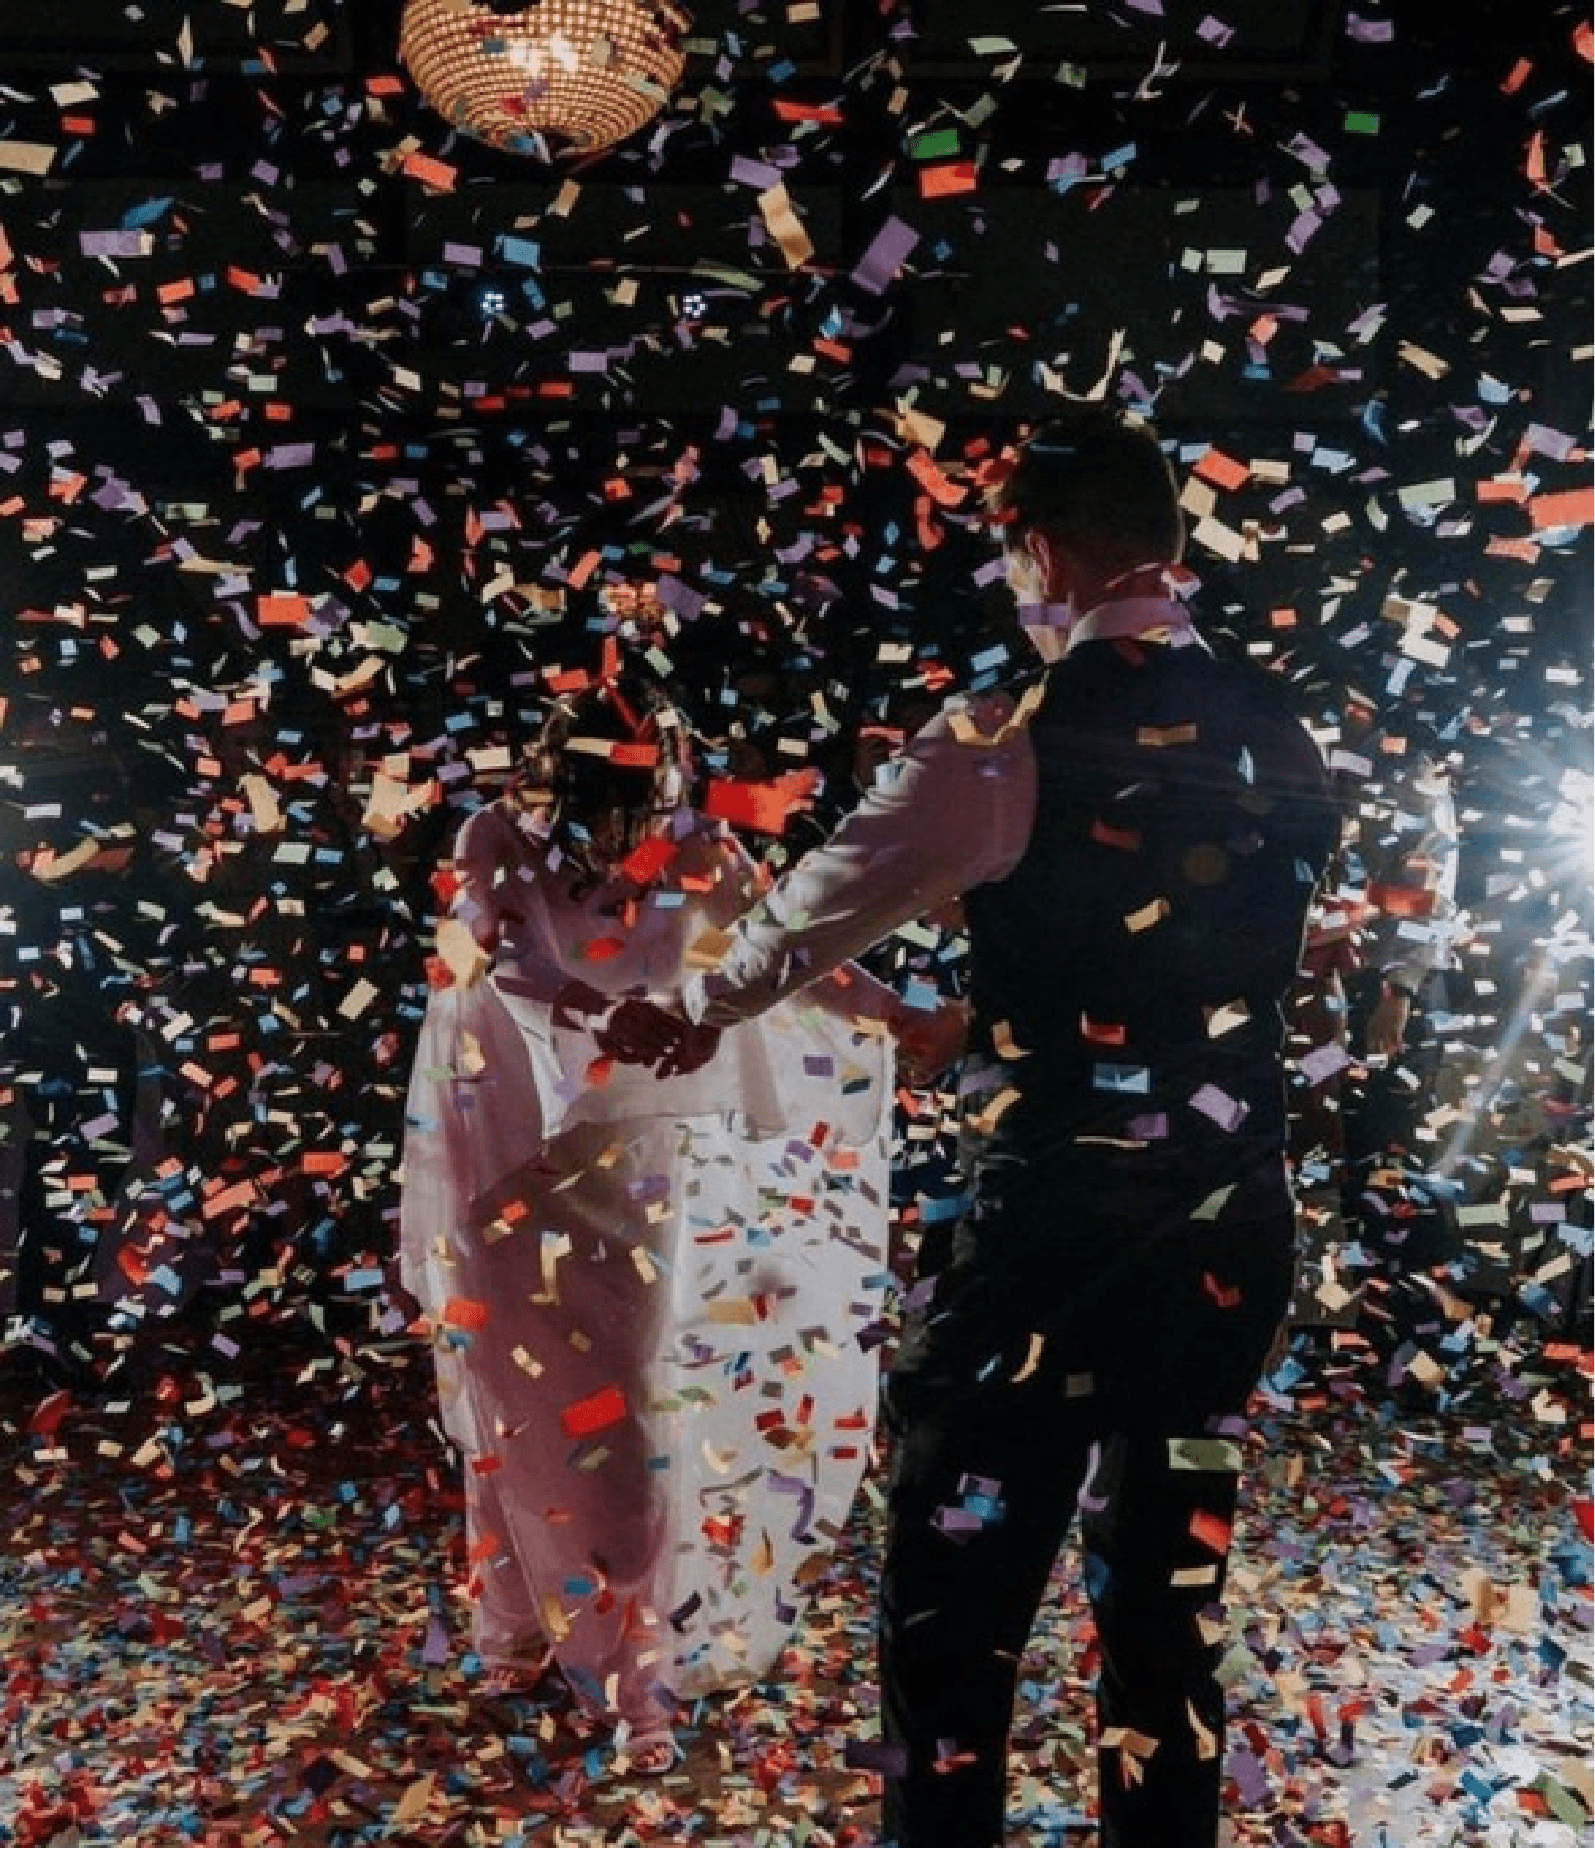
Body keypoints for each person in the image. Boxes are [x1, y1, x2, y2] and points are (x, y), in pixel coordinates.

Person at [611, 408, 1338, 1845]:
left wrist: (697, 1008)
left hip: (1052, 1233)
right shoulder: (1285, 731)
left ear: (1041, 550)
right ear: (1175, 545)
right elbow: (1255, 961)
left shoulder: (998, 738)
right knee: (1166, 1606)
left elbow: (812, 911)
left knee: (955, 1602)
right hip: (1229, 1218)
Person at [397, 663, 912, 1770]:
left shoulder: (701, 848)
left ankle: (637, 1682)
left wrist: (905, 1019)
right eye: (597, 787)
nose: (619, 813)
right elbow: (490, 945)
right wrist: (598, 1007)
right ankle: (518, 1626)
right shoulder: (495, 833)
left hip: (634, 1162)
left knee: (626, 1424)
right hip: (507, 1155)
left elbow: (787, 943)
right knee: (509, 1402)